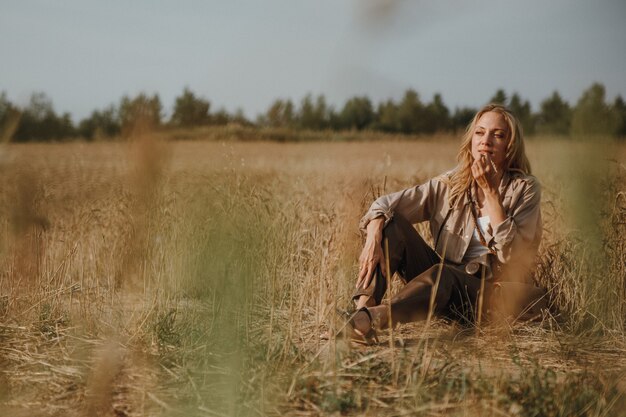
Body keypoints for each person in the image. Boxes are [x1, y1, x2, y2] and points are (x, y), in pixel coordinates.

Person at [346, 104, 546, 344]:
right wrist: (373, 235)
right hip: (440, 289)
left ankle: (375, 318)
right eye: (480, 132)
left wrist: (491, 192)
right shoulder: (451, 183)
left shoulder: (525, 189)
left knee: (444, 273)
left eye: (498, 135)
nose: (486, 141)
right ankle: (360, 316)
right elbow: (385, 205)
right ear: (471, 140)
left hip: (489, 297)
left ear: (510, 145)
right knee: (391, 225)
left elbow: (513, 256)